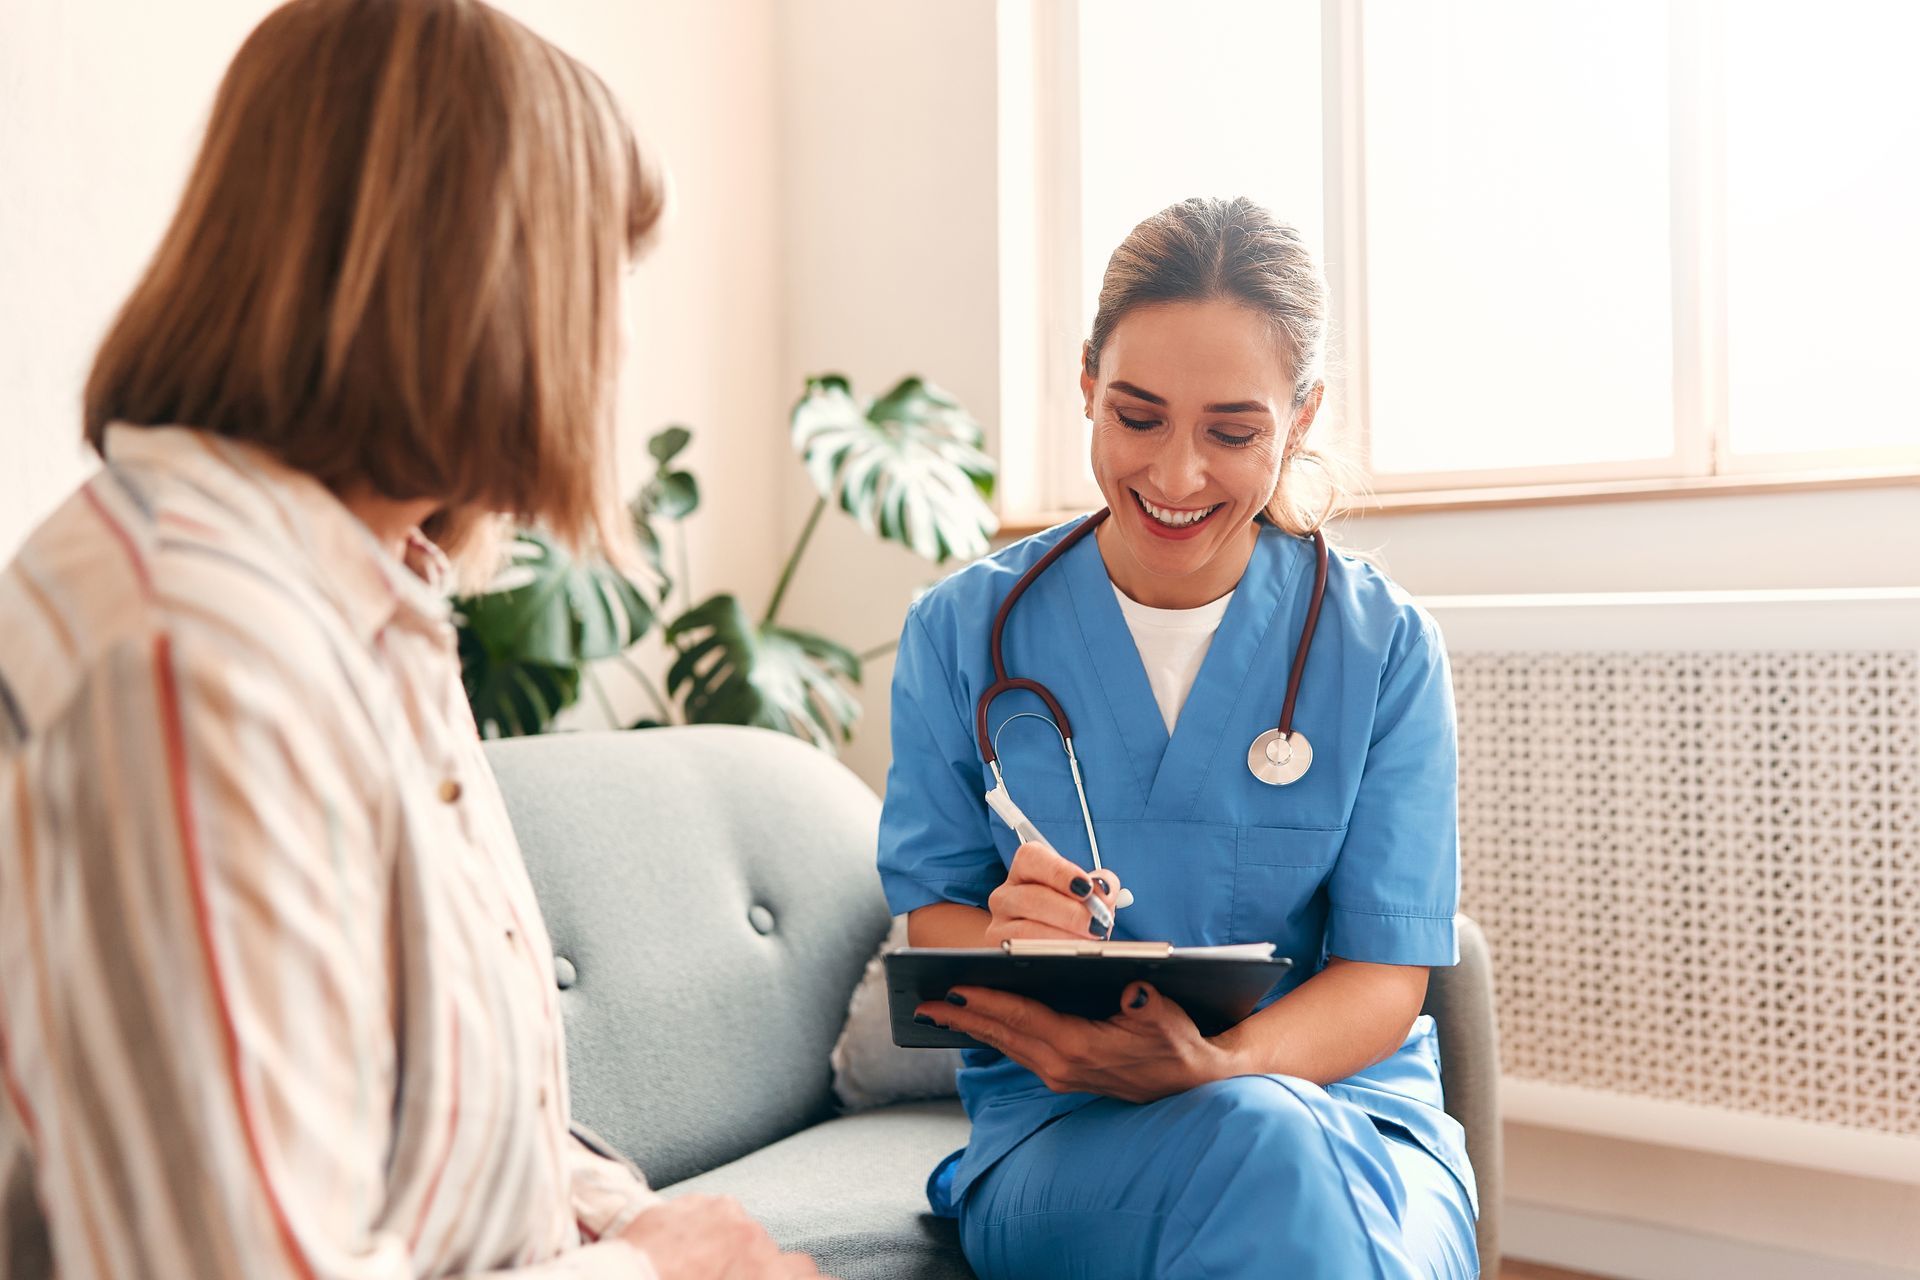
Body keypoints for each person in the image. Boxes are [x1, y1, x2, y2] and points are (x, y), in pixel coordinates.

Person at [0, 2, 819, 1276]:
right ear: (484, 282)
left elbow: (443, 1126)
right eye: (603, 278)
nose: (616, 340)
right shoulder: (188, 653)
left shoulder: (356, 599)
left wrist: (625, 1220)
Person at [876, 197, 1479, 1278]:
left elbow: (1387, 975)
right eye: (1138, 416)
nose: (1177, 475)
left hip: (1359, 1117)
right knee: (1278, 1159)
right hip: (1068, 1131)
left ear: (1300, 419)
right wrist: (1014, 934)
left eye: (1233, 432)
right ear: (1086, 388)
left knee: (1284, 1141)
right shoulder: (962, 632)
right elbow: (935, 921)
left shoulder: (1382, 646)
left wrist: (1217, 1065)